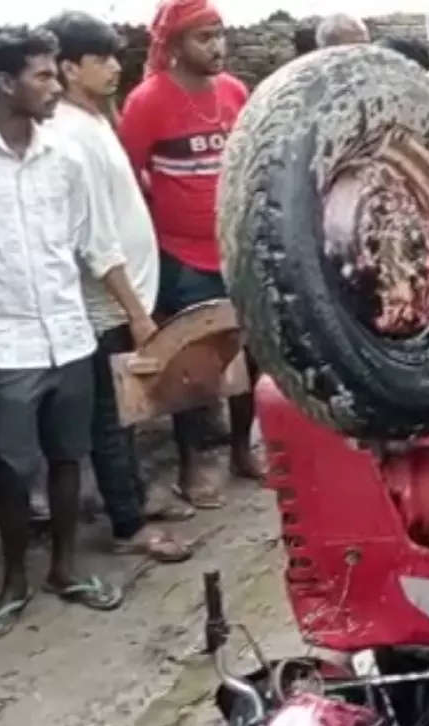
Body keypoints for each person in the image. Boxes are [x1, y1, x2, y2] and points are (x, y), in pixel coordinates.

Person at [0, 26, 127, 638]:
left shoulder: (66, 156)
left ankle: (64, 570)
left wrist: (135, 315)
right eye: (43, 75)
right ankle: (14, 582)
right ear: (5, 82)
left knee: (68, 458)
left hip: (70, 332)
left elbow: (94, 243)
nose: (55, 84)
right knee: (11, 471)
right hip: (2, 344)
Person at [45, 11, 193, 566]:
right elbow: (93, 238)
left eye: (114, 56)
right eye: (100, 59)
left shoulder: (94, 118)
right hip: (106, 301)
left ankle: (133, 495)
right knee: (110, 413)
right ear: (67, 67)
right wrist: (133, 308)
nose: (114, 67)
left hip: (126, 293)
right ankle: (128, 524)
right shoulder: (66, 135)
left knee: (129, 409)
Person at [119, 0, 261, 510]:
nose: (217, 46)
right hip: (182, 255)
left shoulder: (235, 92)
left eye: (220, 34)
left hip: (236, 249)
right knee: (191, 367)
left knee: (251, 354)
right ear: (174, 46)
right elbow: (128, 179)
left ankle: (244, 451)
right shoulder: (146, 102)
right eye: (204, 37)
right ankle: (191, 466)